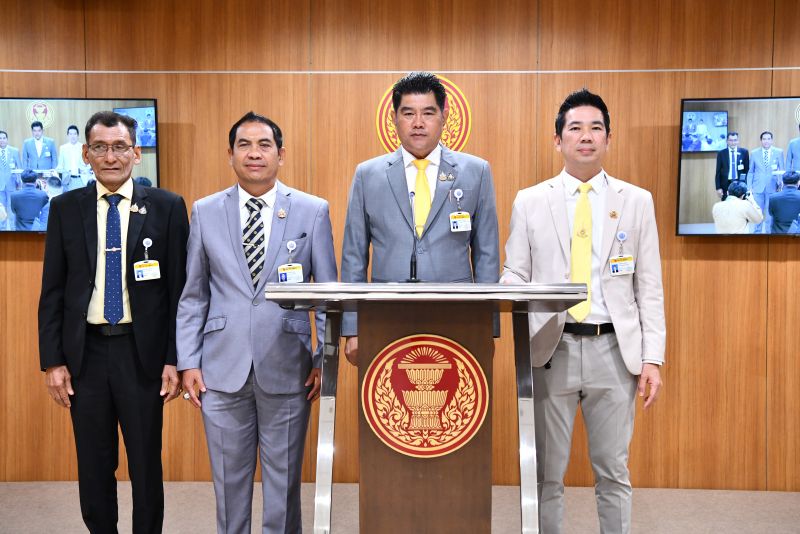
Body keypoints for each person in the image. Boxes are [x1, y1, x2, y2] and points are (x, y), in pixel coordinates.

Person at [500, 89, 664, 534]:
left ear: (609, 139)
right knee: (547, 474)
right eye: (575, 128)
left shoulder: (636, 201)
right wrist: (513, 288)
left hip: (615, 352)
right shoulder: (530, 200)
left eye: (595, 128)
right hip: (553, 350)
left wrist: (652, 358)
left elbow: (649, 286)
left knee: (613, 472)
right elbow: (514, 270)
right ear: (558, 140)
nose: (585, 137)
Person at [177, 112, 337, 533]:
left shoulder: (312, 211)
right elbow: (194, 295)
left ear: (281, 155)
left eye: (264, 145)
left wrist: (324, 358)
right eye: (244, 145)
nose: (254, 153)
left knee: (283, 485)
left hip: (290, 365)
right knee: (228, 484)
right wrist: (188, 362)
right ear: (230, 154)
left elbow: (327, 296)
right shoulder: (206, 211)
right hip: (219, 367)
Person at [38, 111, 189, 533]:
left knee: (145, 463)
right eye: (100, 148)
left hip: (141, 356)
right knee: (94, 464)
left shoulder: (167, 206)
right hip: (84, 356)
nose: (111, 156)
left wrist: (174, 358)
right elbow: (52, 289)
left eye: (120, 147)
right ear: (85, 154)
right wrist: (52, 361)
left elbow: (181, 292)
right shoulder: (65, 209)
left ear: (136, 153)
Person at [340, 71, 499, 363]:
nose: (418, 123)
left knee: (457, 406)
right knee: (388, 406)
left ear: (444, 116)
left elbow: (487, 255)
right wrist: (352, 328)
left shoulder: (475, 171)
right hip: (385, 316)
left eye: (428, 112)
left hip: (459, 316)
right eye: (408, 113)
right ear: (394, 118)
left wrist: (488, 326)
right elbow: (354, 256)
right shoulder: (368, 174)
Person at [747, 131, 784, 233]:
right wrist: (749, 187)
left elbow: (781, 170)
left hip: (773, 187)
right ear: (761, 140)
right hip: (757, 188)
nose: (766, 141)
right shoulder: (754, 153)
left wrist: (781, 183)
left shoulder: (779, 152)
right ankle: (757, 234)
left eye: (768, 139)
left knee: (769, 215)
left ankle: (768, 235)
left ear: (772, 140)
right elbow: (751, 171)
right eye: (764, 139)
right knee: (757, 214)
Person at [714, 132, 749, 200]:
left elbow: (747, 170)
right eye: (731, 140)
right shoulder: (721, 153)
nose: (733, 142)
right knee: (726, 207)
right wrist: (718, 188)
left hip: (740, 184)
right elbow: (718, 172)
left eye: (735, 140)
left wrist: (746, 185)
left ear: (738, 141)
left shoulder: (744, 152)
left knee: (740, 207)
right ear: (727, 141)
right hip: (726, 185)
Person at [0, 130, 23, 230]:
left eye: (4, 138)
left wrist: (19, 182)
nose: (2, 140)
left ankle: (14, 229)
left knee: (11, 209)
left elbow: (19, 168)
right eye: (0, 138)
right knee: (1, 209)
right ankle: (2, 229)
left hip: (12, 184)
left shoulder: (14, 151)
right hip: (0, 186)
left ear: (7, 139)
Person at [57, 124, 90, 191]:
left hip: (81, 179)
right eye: (70, 134)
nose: (73, 136)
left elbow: (89, 165)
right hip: (68, 180)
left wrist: (84, 170)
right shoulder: (63, 148)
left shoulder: (84, 147)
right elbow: (60, 167)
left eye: (74, 134)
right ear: (68, 136)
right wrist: (66, 171)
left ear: (78, 135)